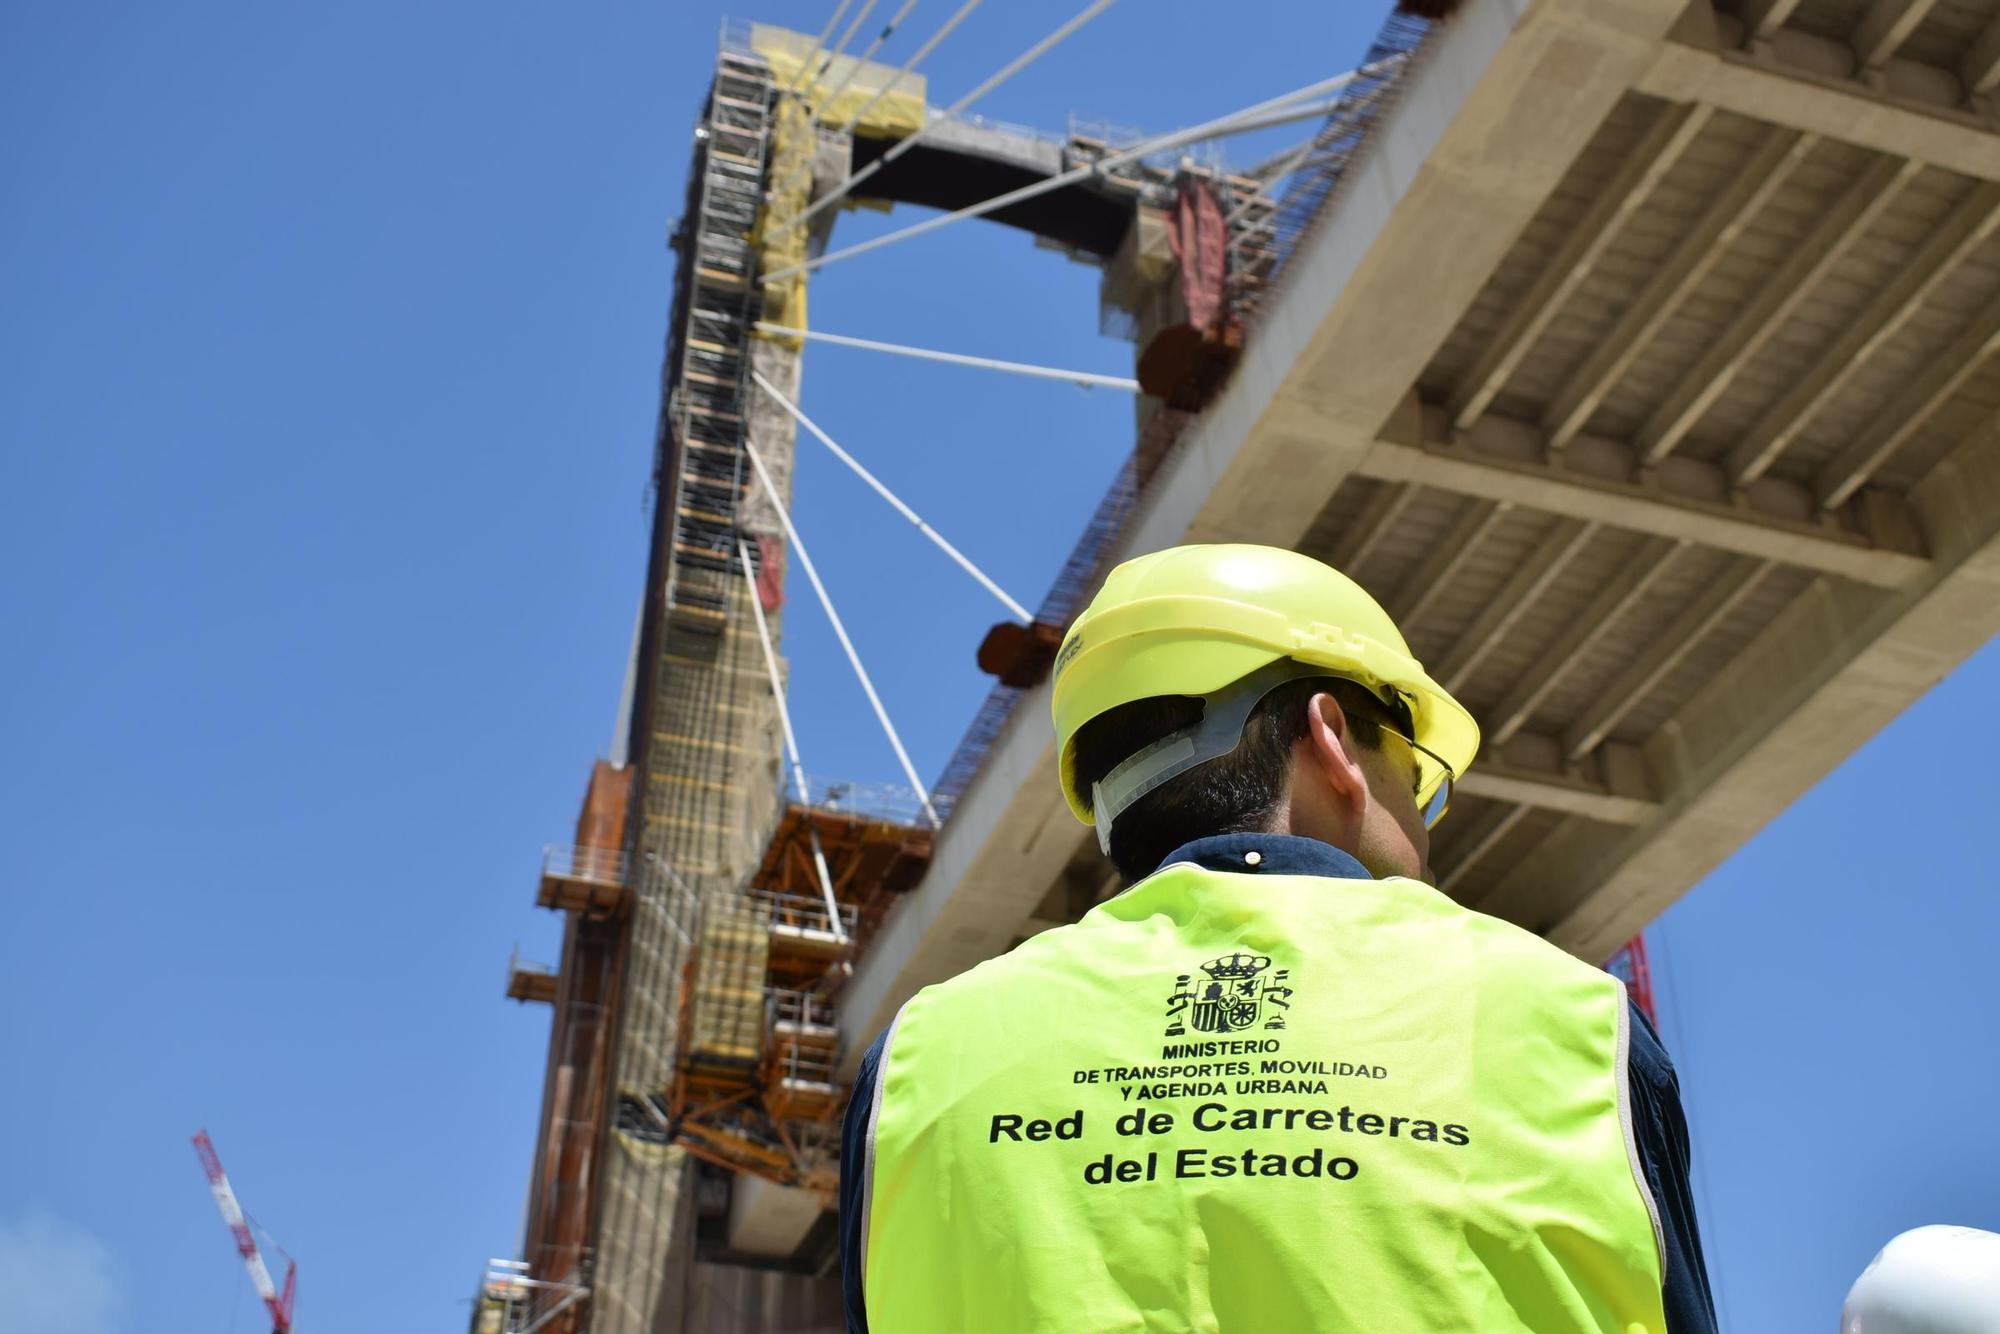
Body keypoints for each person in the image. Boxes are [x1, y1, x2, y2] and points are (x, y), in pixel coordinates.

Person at [839, 543, 1716, 1332]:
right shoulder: (1565, 1023)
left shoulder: (918, 1064)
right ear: (1332, 739)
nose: (1422, 820)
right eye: (1417, 780)